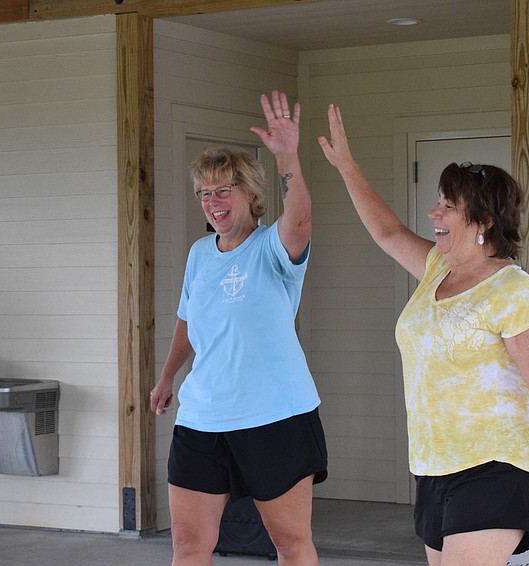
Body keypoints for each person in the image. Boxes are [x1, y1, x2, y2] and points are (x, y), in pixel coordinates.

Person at [318, 104, 529, 566]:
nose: (434, 212)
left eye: (448, 206)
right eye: (438, 200)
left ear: (484, 221)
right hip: (433, 464)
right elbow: (387, 231)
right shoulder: (437, 270)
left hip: (496, 465)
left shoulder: (513, 291)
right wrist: (347, 167)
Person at [149, 91, 327, 566]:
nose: (213, 202)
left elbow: (301, 218)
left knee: (290, 543)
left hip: (276, 417)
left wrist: (286, 155)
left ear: (250, 193)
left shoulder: (273, 247)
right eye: (204, 194)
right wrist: (167, 376)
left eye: (223, 190)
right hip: (202, 418)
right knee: (188, 545)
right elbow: (188, 319)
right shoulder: (199, 254)